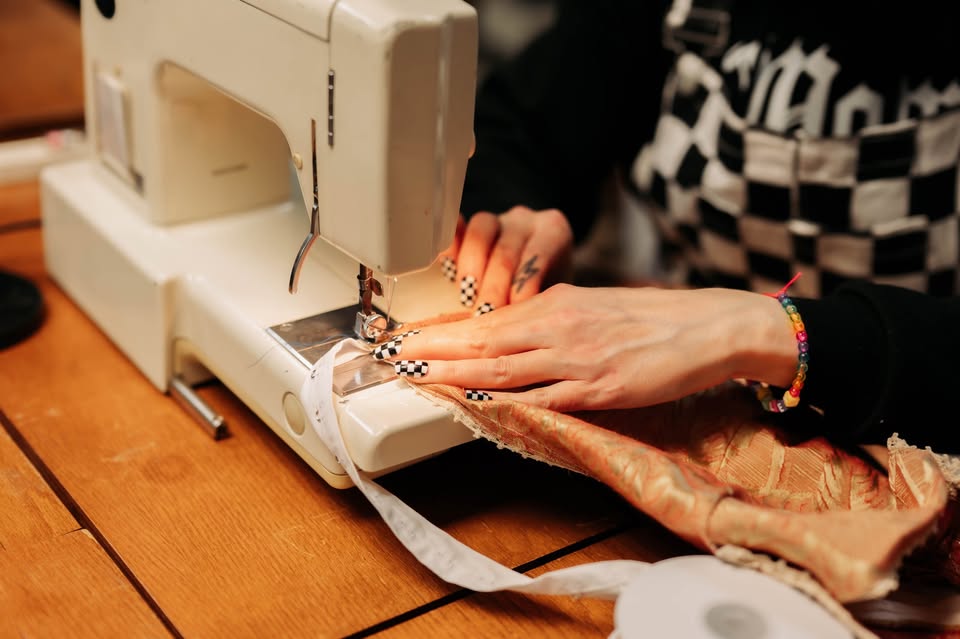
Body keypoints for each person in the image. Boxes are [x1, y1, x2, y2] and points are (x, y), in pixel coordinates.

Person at [380, 0, 960, 452]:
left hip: (916, 407)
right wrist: (522, 211)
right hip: (685, 381)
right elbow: (522, 124)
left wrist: (760, 331)